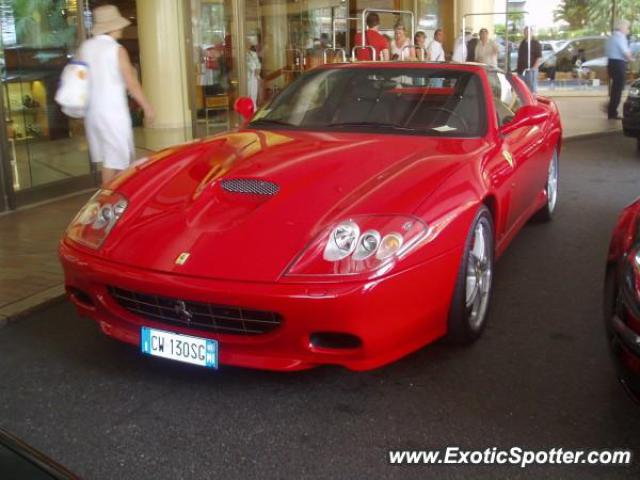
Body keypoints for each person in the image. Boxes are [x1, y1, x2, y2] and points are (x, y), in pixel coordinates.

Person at [80, 5, 154, 187]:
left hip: (93, 113)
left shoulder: (86, 48)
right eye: (119, 25)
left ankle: (116, 198)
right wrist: (147, 107)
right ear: (113, 26)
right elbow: (132, 84)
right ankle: (108, 202)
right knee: (115, 160)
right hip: (112, 112)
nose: (121, 28)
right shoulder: (116, 50)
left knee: (111, 158)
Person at [606, 19, 633, 119]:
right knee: (618, 89)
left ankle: (611, 109)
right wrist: (631, 59)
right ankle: (612, 112)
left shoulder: (611, 37)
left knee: (615, 89)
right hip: (619, 64)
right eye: (627, 27)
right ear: (622, 28)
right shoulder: (620, 37)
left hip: (611, 63)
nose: (628, 30)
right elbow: (626, 52)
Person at [517, 26, 543, 93]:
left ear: (532, 33)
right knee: (521, 88)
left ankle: (533, 102)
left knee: (532, 89)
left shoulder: (535, 43)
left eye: (528, 32)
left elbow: (539, 57)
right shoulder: (522, 43)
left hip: (531, 70)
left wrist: (534, 68)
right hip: (521, 71)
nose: (527, 33)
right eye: (525, 32)